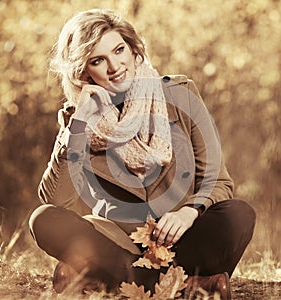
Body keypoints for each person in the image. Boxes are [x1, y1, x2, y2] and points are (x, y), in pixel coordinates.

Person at [29, 8, 256, 299]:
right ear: (83, 72)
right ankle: (185, 286)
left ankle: (113, 282)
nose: (115, 66)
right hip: (119, 245)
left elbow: (219, 182)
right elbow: (55, 200)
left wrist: (189, 212)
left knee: (238, 214)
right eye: (98, 60)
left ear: (133, 48)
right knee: (43, 219)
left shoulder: (180, 94)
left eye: (119, 50)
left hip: (183, 238)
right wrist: (78, 126)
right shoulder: (79, 122)